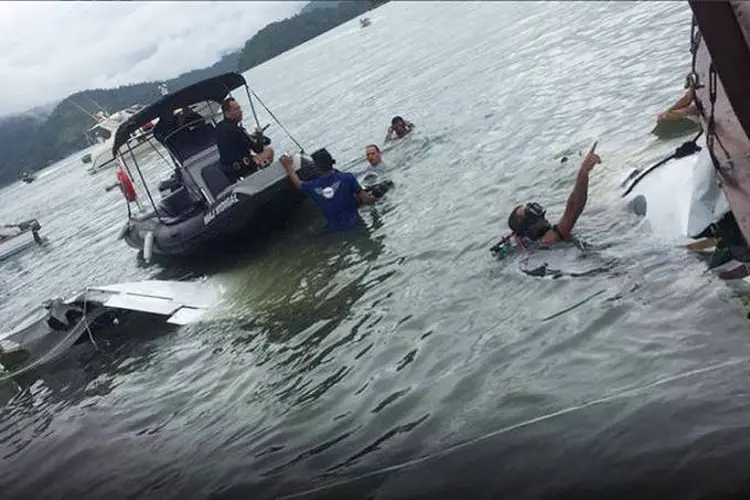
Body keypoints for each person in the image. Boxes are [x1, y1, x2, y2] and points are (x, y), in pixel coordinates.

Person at [507, 142, 601, 246]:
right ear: (527, 223)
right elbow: (575, 206)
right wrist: (584, 170)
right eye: (529, 210)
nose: (534, 208)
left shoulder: (532, 244)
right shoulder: (549, 239)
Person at [280, 148, 376, 230]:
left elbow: (298, 183)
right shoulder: (347, 178)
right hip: (357, 224)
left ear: (316, 167)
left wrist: (288, 166)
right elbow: (367, 200)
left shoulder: (313, 187)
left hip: (335, 230)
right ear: (332, 162)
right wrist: (373, 197)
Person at [216, 97, 274, 182]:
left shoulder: (219, 127)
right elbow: (258, 149)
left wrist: (249, 136)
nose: (240, 111)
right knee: (268, 151)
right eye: (236, 109)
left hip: (229, 169)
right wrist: (259, 136)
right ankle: (261, 174)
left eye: (239, 108)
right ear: (227, 113)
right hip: (243, 167)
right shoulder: (238, 130)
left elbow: (233, 141)